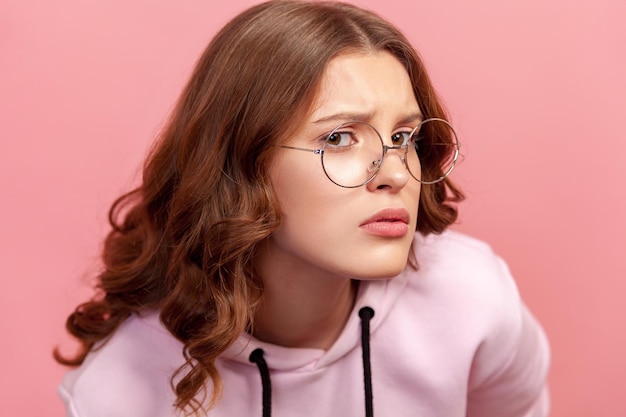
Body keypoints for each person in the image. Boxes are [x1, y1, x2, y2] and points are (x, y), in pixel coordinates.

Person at [55, 1, 550, 416]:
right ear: (242, 162)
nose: (396, 173)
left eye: (403, 137)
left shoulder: (470, 297)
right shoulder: (123, 385)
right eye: (338, 138)